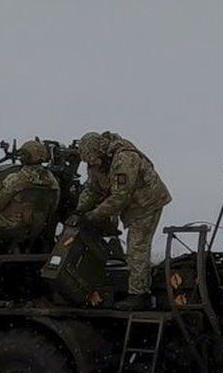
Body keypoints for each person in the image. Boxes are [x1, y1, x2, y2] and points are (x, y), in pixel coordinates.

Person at [72, 131, 171, 310]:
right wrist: (79, 211)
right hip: (131, 205)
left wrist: (93, 216)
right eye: (88, 161)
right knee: (131, 248)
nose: (91, 163)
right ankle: (137, 283)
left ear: (100, 151)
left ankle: (139, 295)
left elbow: (120, 198)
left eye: (93, 159)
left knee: (137, 247)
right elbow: (91, 189)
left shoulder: (125, 159)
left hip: (147, 203)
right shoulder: (95, 163)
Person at [0, 139, 59, 256]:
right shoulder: (52, 180)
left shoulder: (17, 178)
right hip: (37, 225)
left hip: (12, 224)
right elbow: (54, 204)